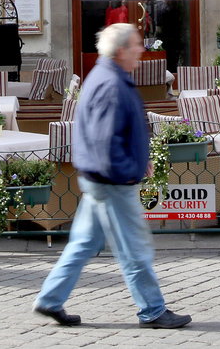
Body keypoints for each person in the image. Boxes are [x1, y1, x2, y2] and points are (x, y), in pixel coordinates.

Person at [33, 23, 192, 329]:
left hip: (99, 178)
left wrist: (137, 159)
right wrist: (128, 171)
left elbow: (114, 134)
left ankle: (50, 299)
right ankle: (153, 309)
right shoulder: (112, 84)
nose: (141, 50)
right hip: (112, 181)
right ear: (121, 50)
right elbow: (105, 142)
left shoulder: (106, 76)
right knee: (134, 247)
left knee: (83, 243)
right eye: (136, 45)